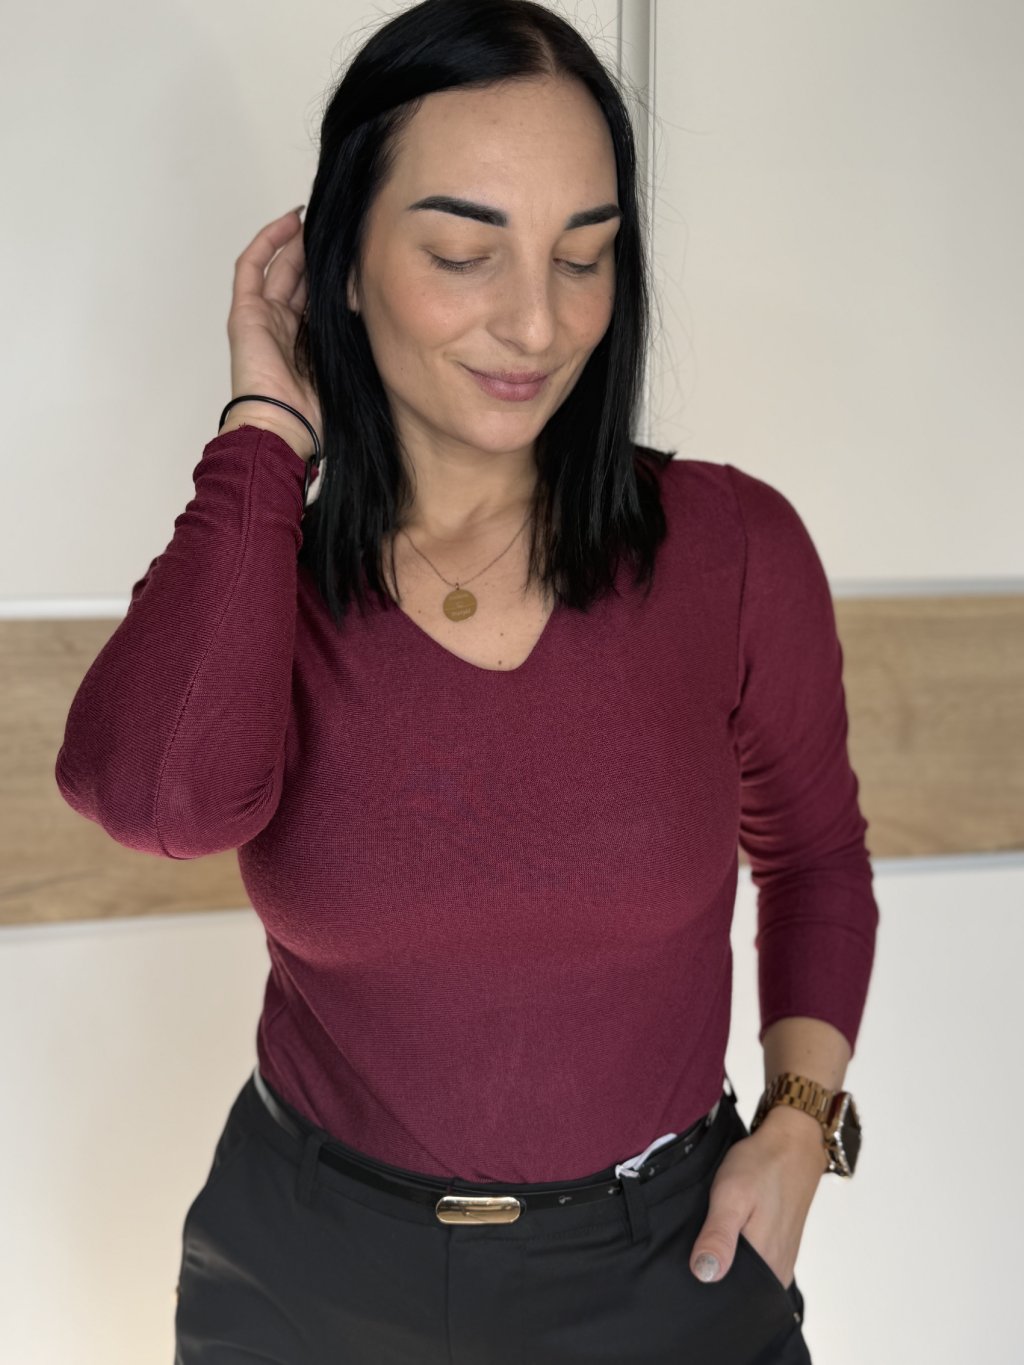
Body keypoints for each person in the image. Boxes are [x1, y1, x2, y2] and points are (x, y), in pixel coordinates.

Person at [53, 2, 878, 1361]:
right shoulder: (266, 579)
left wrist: (800, 1121)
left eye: (584, 255)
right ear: (344, 262)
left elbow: (817, 854)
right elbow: (157, 801)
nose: (537, 321)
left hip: (665, 1265)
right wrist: (266, 430)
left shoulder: (734, 549)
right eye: (461, 253)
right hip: (306, 1279)